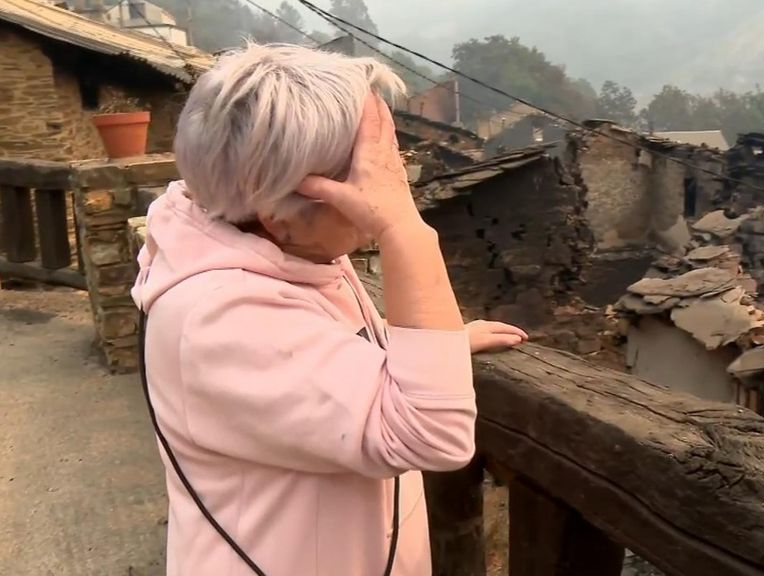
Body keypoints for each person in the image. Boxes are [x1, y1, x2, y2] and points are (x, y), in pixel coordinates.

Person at [132, 43, 527, 576]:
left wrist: (435, 349)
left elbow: (321, 349)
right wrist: (403, 228)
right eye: (371, 174)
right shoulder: (219, 315)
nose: (392, 183)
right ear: (278, 214)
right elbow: (435, 435)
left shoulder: (272, 246)